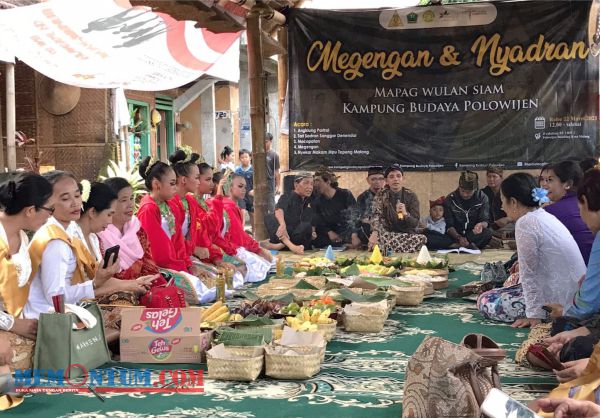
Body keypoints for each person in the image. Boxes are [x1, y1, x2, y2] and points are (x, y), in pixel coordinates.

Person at [25, 172, 139, 319]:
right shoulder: (56, 241)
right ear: (47, 201)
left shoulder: (68, 232)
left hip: (66, 308)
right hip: (48, 317)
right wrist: (95, 284)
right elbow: (55, 298)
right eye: (65, 198)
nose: (75, 203)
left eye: (77, 196)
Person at [477, 173, 585, 327]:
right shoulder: (541, 215)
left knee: (485, 300)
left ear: (513, 202)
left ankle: (545, 314)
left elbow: (529, 273)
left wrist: (534, 315)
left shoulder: (525, 223)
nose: (502, 207)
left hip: (560, 300)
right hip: (574, 293)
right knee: (512, 279)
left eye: (503, 201)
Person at [0, 173, 53, 371]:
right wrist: (10, 324)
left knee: (58, 347)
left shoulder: (22, 238)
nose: (50, 216)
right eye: (50, 209)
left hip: (14, 324)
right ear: (31, 210)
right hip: (8, 326)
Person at [214, 173, 272, 282]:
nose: (244, 190)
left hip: (228, 247)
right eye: (240, 186)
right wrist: (258, 249)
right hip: (227, 249)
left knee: (266, 263)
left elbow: (239, 234)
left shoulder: (230, 205)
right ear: (228, 187)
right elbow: (238, 237)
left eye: (245, 187)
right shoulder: (227, 206)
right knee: (262, 265)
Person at [541, 161, 594, 264]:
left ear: (568, 184)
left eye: (550, 180)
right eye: (542, 179)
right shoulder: (587, 201)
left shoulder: (550, 212)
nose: (544, 184)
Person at [370, 164, 427, 253]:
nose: (395, 179)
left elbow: (415, 223)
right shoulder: (381, 195)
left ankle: (386, 247)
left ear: (403, 179)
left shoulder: (411, 196)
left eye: (398, 176)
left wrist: (405, 214)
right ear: (386, 181)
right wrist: (374, 232)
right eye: (391, 177)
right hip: (388, 233)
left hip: (407, 234)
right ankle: (395, 247)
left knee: (422, 239)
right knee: (369, 234)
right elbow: (376, 216)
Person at [264, 172, 315, 255]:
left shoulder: (306, 201)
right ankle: (290, 246)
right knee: (270, 217)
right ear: (296, 184)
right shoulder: (288, 196)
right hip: (283, 232)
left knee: (307, 226)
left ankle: (277, 246)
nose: (310, 187)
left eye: (312, 184)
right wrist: (282, 225)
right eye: (306, 183)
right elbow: (278, 209)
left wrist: (312, 233)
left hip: (293, 233)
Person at [442, 170, 493, 250]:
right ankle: (468, 246)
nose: (465, 194)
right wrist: (459, 237)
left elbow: (485, 220)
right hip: (455, 235)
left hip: (473, 234)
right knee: (433, 237)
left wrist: (481, 225)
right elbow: (449, 225)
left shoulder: (482, 198)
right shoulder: (450, 199)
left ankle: (461, 246)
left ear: (475, 189)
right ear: (459, 187)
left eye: (469, 192)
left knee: (488, 233)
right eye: (462, 191)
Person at [312, 167, 356, 248]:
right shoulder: (317, 200)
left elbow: (354, 215)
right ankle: (343, 245)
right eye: (314, 181)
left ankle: (345, 244)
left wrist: (354, 234)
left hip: (347, 230)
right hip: (330, 233)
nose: (315, 184)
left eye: (318, 180)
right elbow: (319, 220)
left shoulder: (345, 194)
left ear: (328, 181)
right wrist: (329, 232)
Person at [351, 166, 385, 249]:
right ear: (368, 180)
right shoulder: (362, 197)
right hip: (366, 234)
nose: (377, 182)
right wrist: (354, 236)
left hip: (384, 233)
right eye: (373, 179)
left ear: (384, 180)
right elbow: (356, 219)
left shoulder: (388, 195)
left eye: (380, 179)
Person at [481, 166, 513, 236]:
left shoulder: (508, 192)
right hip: (489, 226)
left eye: (494, 176)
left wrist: (508, 219)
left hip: (507, 225)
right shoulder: (482, 194)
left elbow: (518, 211)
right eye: (489, 176)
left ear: (501, 178)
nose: (491, 179)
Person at [235, 149, 254, 228]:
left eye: (246, 157)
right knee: (242, 213)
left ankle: (254, 233)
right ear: (239, 159)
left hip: (251, 196)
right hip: (241, 196)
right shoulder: (238, 171)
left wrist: (254, 190)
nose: (244, 159)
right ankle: (241, 232)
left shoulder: (254, 170)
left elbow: (257, 183)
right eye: (242, 157)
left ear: (250, 158)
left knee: (252, 215)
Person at [265, 133, 280, 214]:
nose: (264, 143)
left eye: (266, 141)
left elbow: (276, 171)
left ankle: (273, 223)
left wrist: (278, 185)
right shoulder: (256, 153)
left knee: (271, 205)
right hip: (258, 183)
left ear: (271, 141)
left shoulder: (274, 155)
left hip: (270, 182)